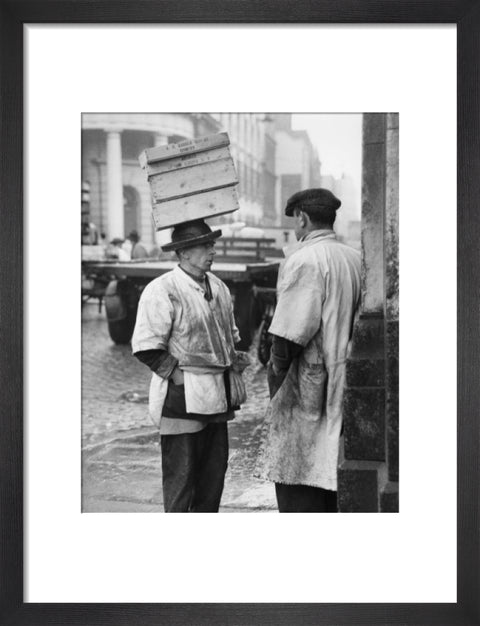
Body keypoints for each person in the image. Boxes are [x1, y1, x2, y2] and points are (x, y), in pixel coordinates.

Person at [131, 219, 248, 512]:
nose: (213, 250)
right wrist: (179, 377)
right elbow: (146, 346)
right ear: (183, 252)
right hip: (181, 400)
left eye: (212, 244)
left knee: (212, 480)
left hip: (217, 399)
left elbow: (230, 335)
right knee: (182, 480)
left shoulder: (219, 287)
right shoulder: (163, 290)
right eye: (205, 245)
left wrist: (235, 359)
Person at [255, 188, 361, 513]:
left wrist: (276, 384)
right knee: (331, 474)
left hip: (309, 386)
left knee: (299, 476)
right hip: (346, 377)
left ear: (301, 218)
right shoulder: (354, 257)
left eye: (294, 221)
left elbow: (288, 335)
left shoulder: (304, 259)